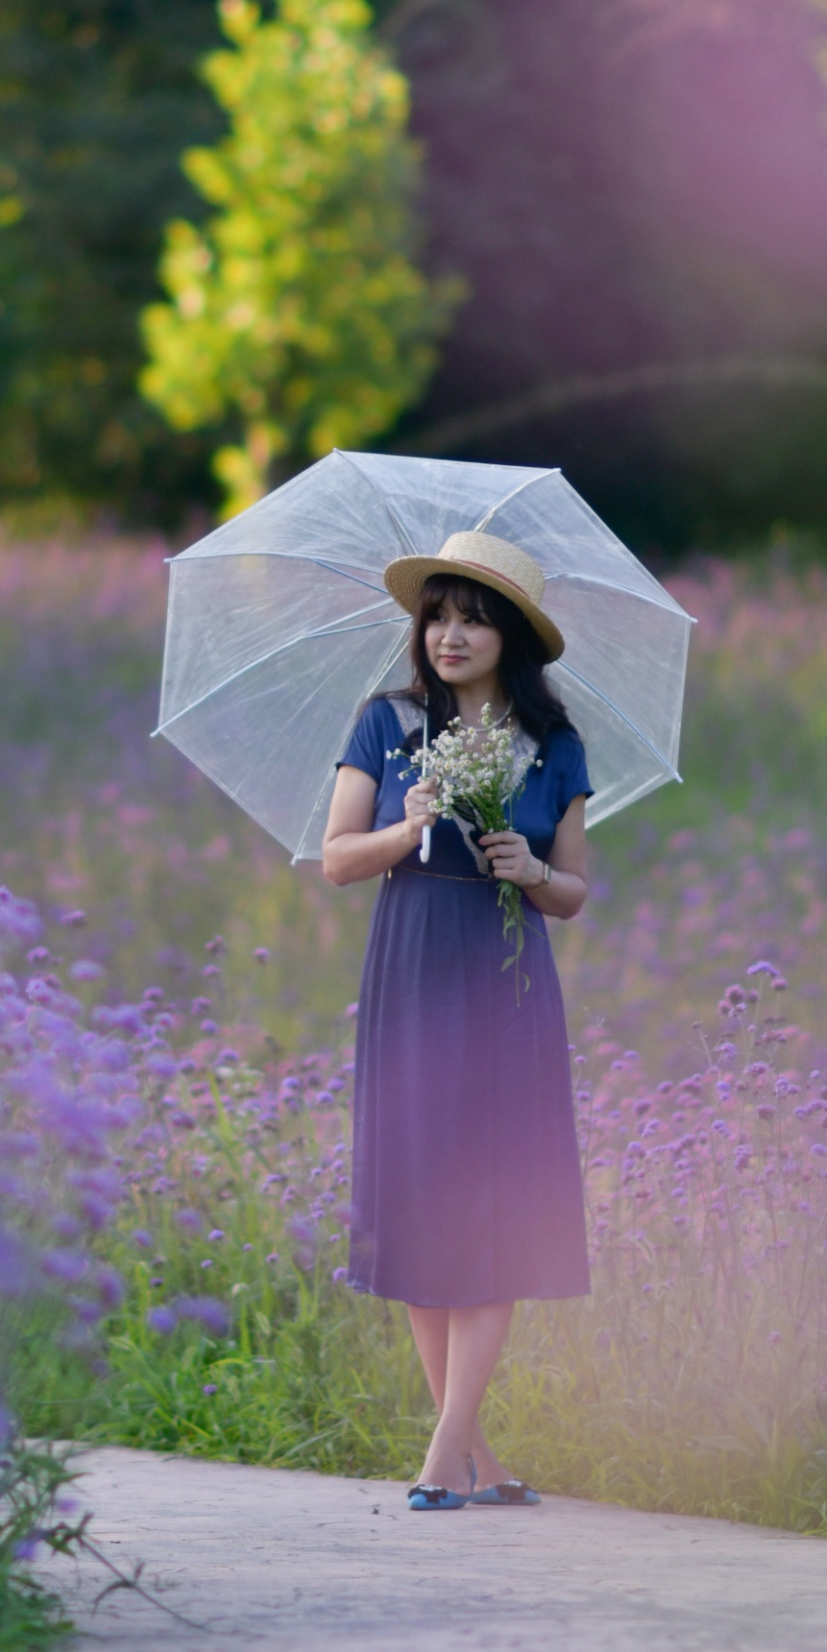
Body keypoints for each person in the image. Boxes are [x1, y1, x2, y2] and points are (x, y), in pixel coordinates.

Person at [322, 527, 591, 1511]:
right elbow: (338, 856)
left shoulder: (554, 746)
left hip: (505, 982)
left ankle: (442, 1460)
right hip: (411, 968)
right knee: (422, 1200)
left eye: (473, 619)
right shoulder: (386, 725)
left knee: (492, 1203)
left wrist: (532, 869)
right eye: (438, 615)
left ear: (510, 634)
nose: (449, 634)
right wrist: (411, 822)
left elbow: (573, 891)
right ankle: (470, 1450)